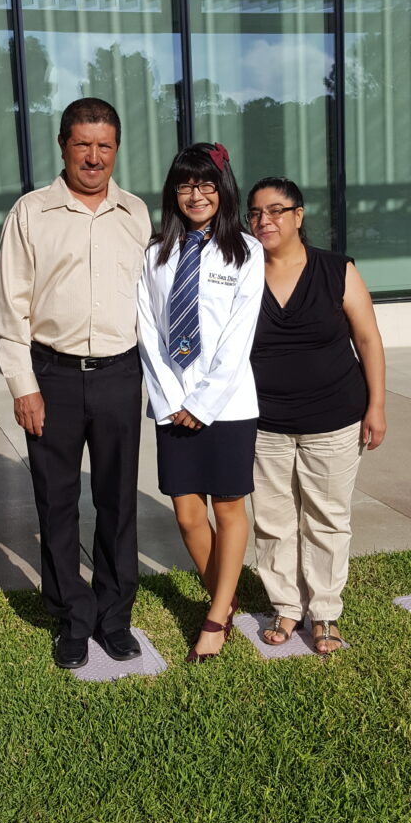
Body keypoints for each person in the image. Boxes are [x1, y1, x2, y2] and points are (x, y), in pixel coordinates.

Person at [0, 97, 152, 669]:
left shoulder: (136, 214)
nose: (94, 156)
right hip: (52, 376)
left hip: (119, 374)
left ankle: (114, 616)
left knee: (117, 502)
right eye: (83, 144)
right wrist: (22, 384)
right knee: (56, 503)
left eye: (105, 145)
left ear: (117, 149)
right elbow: (9, 309)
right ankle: (72, 618)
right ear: (62, 145)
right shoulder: (31, 213)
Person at [246, 177, 386, 655]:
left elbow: (368, 338)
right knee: (273, 519)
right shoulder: (242, 271)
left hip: (335, 417)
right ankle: (286, 606)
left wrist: (378, 405)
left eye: (276, 210)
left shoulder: (335, 269)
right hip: (264, 423)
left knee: (327, 518)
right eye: (256, 213)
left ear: (299, 216)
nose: (265, 220)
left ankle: (324, 612)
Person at [137, 143, 264, 662]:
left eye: (206, 183)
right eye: (186, 184)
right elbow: (147, 327)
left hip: (228, 404)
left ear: (222, 188)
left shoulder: (246, 252)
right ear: (174, 192)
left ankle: (215, 617)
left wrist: (205, 401)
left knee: (227, 507)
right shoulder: (156, 253)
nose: (196, 194)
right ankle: (227, 597)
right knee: (188, 514)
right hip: (171, 404)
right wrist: (171, 398)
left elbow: (239, 336)